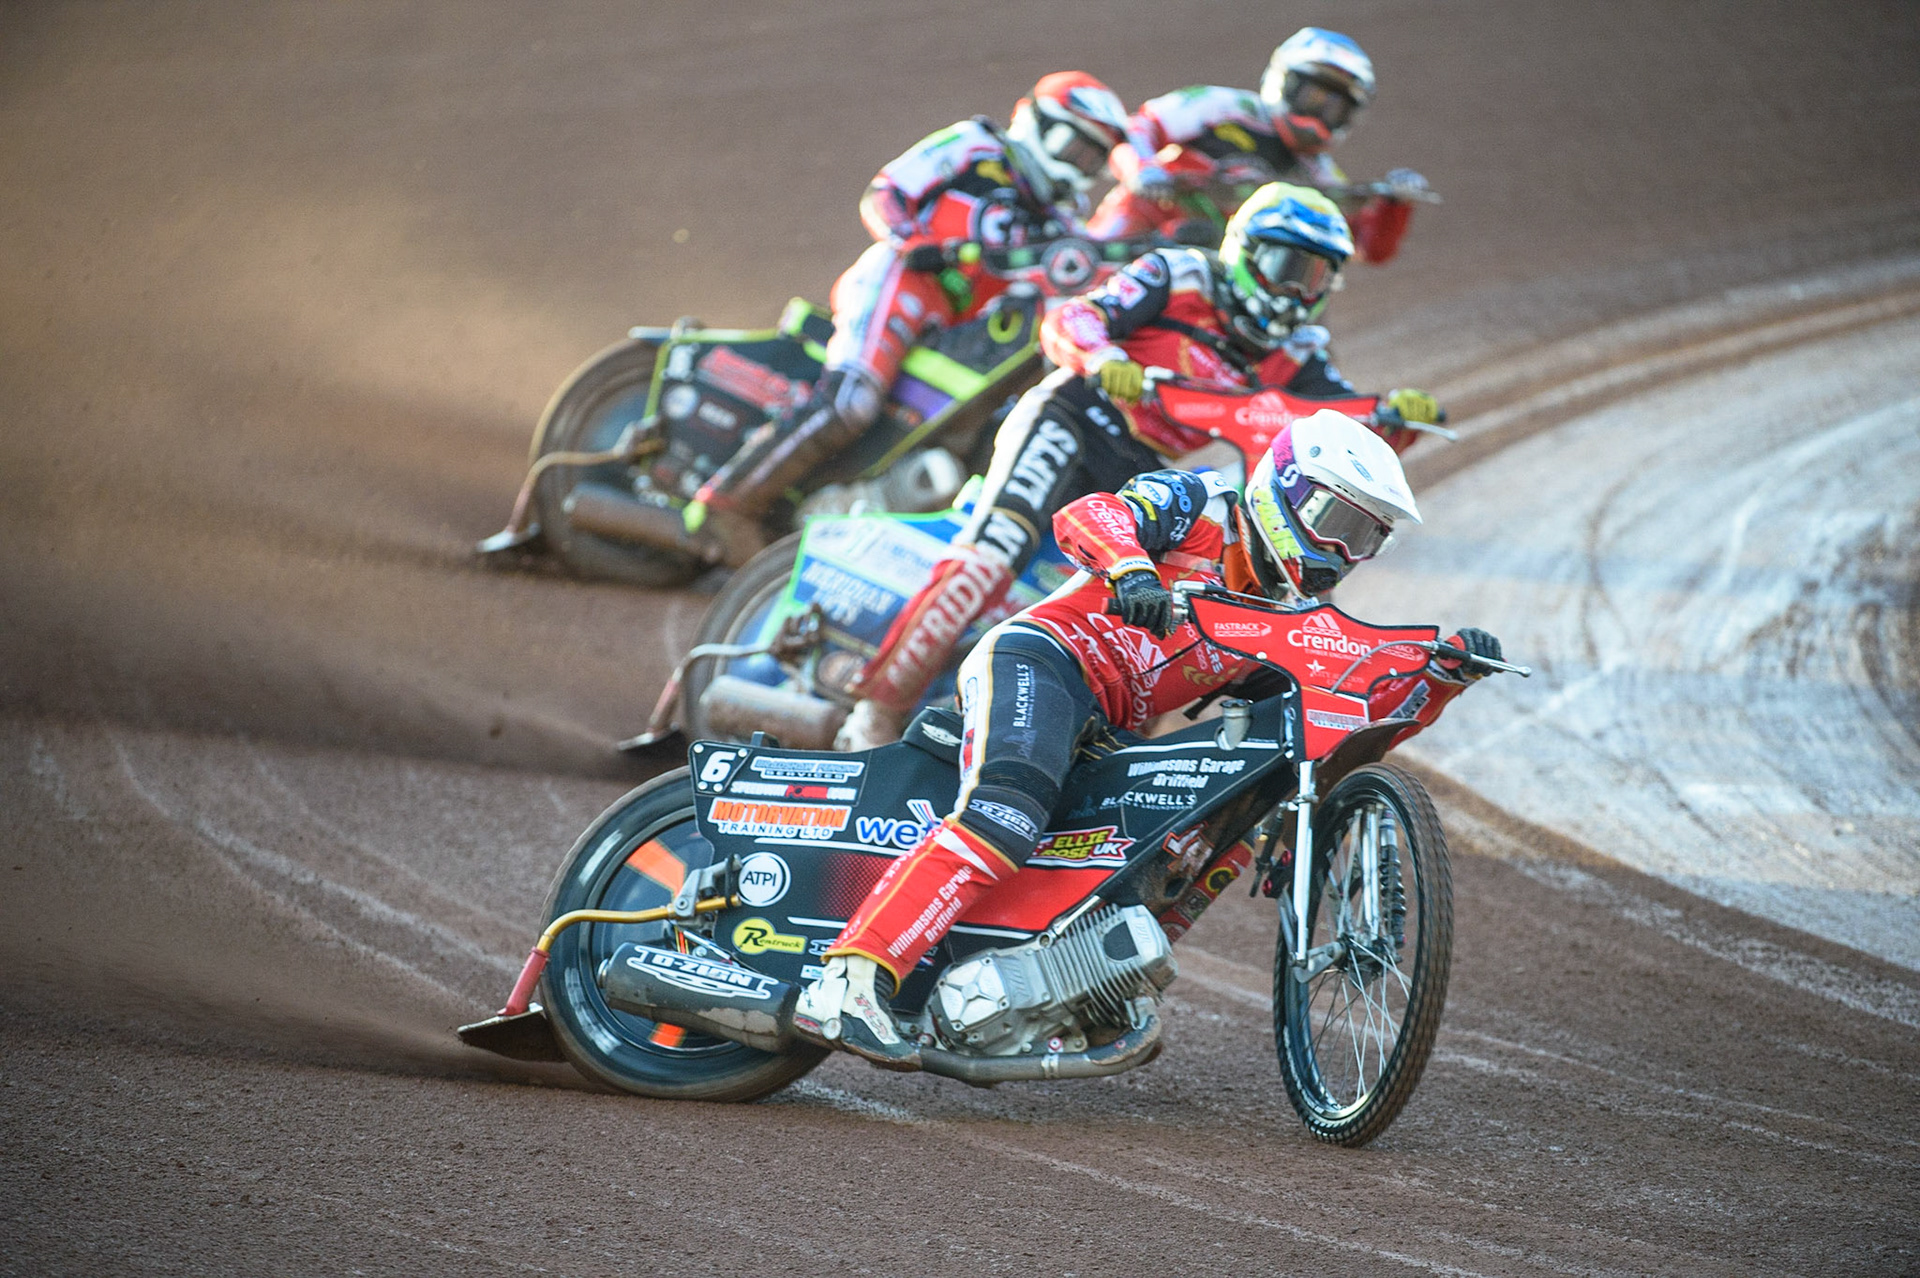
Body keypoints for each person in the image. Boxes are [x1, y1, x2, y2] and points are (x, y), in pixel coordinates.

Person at [792, 411, 1504, 1066]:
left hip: (1109, 729)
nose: (1344, 551)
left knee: (1212, 833)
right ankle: (851, 979)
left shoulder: (1286, 620)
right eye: (1338, 520)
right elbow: (1091, 514)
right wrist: (1132, 567)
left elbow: (1344, 728)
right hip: (1044, 659)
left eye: (1366, 536)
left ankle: (1058, 990)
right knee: (1004, 816)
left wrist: (1439, 682)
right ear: (1288, 490)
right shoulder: (1204, 506)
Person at [833, 181, 1443, 749]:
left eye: (1317, 278)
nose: (1297, 293)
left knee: (1152, 628)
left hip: (1141, 467)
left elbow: (1326, 433)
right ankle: (874, 717)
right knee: (987, 558)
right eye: (1290, 268)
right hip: (1072, 419)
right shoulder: (1177, 273)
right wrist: (1101, 358)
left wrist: (1394, 421)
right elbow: (1071, 318)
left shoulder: (1299, 350)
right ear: (1247, 252)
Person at [684, 72, 1131, 564]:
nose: (1080, 165)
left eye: (1093, 157)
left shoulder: (1062, 218)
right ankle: (727, 504)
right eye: (1074, 145)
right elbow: (885, 192)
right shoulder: (975, 145)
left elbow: (1079, 278)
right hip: (901, 284)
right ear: (1035, 120)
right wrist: (914, 242)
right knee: (851, 402)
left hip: (961, 329)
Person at [1087, 27, 1427, 264]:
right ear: (1285, 82)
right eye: (1314, 97)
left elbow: (1364, 249)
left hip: (1215, 267)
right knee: (1086, 262)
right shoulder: (1222, 106)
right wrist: (1142, 170)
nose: (1321, 113)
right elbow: (1138, 127)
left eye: (1335, 107)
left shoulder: (1319, 175)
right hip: (1146, 223)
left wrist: (1395, 207)